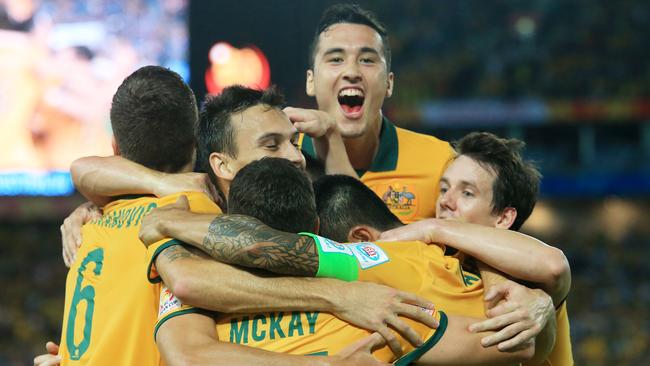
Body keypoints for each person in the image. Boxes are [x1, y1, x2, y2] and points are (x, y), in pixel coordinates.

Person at [51, 86, 438, 365]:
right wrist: (338, 296)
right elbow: (83, 168)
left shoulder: (322, 219)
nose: (295, 156)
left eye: (294, 142)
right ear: (220, 165)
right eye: (271, 145)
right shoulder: (193, 218)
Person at [146, 157, 539, 365]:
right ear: (315, 228)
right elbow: (517, 343)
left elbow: (188, 350)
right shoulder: (379, 310)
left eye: (466, 192)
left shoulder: (195, 298)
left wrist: (167, 231)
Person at [54, 65, 220, 366]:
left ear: (115, 148)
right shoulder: (204, 215)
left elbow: (81, 168)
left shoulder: (90, 229)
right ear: (196, 143)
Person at [378, 132, 574, 365]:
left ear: (503, 218)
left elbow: (554, 266)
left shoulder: (531, 281)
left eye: (467, 193)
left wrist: (435, 227)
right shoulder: (430, 260)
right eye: (443, 189)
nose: (445, 201)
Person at [298, 4, 454, 223]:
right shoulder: (281, 159)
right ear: (310, 81)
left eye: (367, 60)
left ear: (389, 84)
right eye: (336, 59)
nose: (352, 72)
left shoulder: (440, 162)